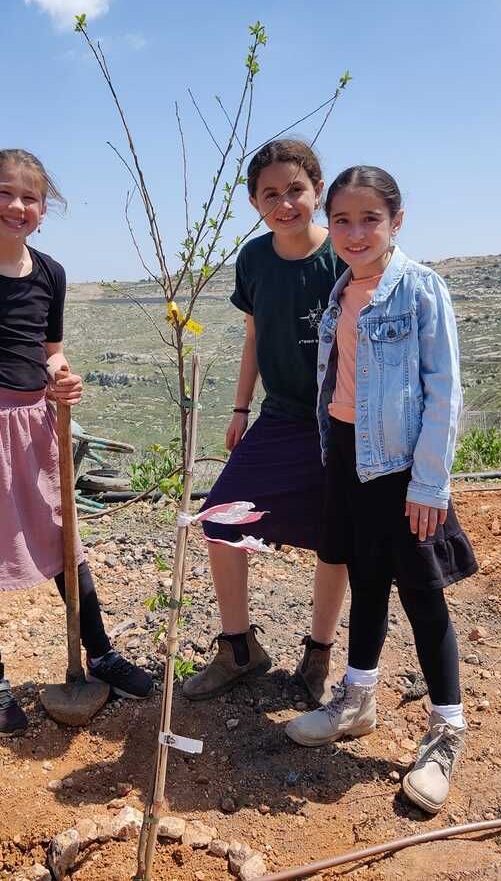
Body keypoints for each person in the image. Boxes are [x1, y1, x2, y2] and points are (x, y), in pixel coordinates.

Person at [0, 148, 153, 738]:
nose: (17, 206)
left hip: (37, 421)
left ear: (44, 210)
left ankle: (101, 653)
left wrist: (62, 376)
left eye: (30, 197)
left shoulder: (51, 273)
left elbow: (51, 351)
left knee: (63, 537)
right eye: (5, 193)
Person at [284, 166, 478, 815]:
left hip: (401, 466)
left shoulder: (420, 288)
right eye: (341, 220)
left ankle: (446, 730)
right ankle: (358, 700)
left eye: (370, 218)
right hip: (347, 455)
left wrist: (429, 483)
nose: (355, 232)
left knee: (422, 594)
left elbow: (444, 391)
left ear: (397, 220)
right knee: (365, 580)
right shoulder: (342, 288)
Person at [183, 140, 349, 705]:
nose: (285, 204)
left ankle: (318, 656)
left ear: (317, 191)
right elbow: (254, 335)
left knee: (334, 539)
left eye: (296, 190)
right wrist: (240, 409)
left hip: (340, 421)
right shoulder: (254, 259)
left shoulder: (343, 256)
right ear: (254, 201)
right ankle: (239, 649)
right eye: (270, 194)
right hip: (280, 416)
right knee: (221, 520)